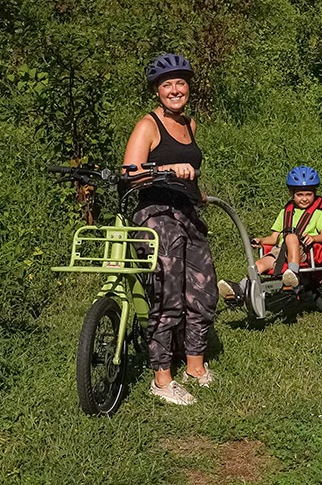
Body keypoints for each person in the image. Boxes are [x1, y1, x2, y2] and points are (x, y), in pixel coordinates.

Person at [123, 52, 217, 406]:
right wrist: (168, 169)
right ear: (157, 91)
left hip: (186, 212)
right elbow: (130, 174)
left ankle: (195, 366)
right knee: (168, 294)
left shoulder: (190, 124)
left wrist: (197, 193)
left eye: (180, 83)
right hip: (155, 214)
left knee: (204, 289)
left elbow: (190, 172)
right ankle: (162, 379)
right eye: (167, 85)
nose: (175, 90)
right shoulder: (148, 125)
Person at [217, 166, 322, 302]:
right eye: (300, 195)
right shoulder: (285, 213)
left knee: (291, 237)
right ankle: (239, 289)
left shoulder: (317, 214)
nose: (304, 198)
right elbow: (274, 238)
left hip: (303, 251)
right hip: (280, 250)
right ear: (291, 193)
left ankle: (293, 274)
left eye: (309, 194)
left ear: (315, 194)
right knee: (260, 264)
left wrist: (314, 238)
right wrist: (261, 241)